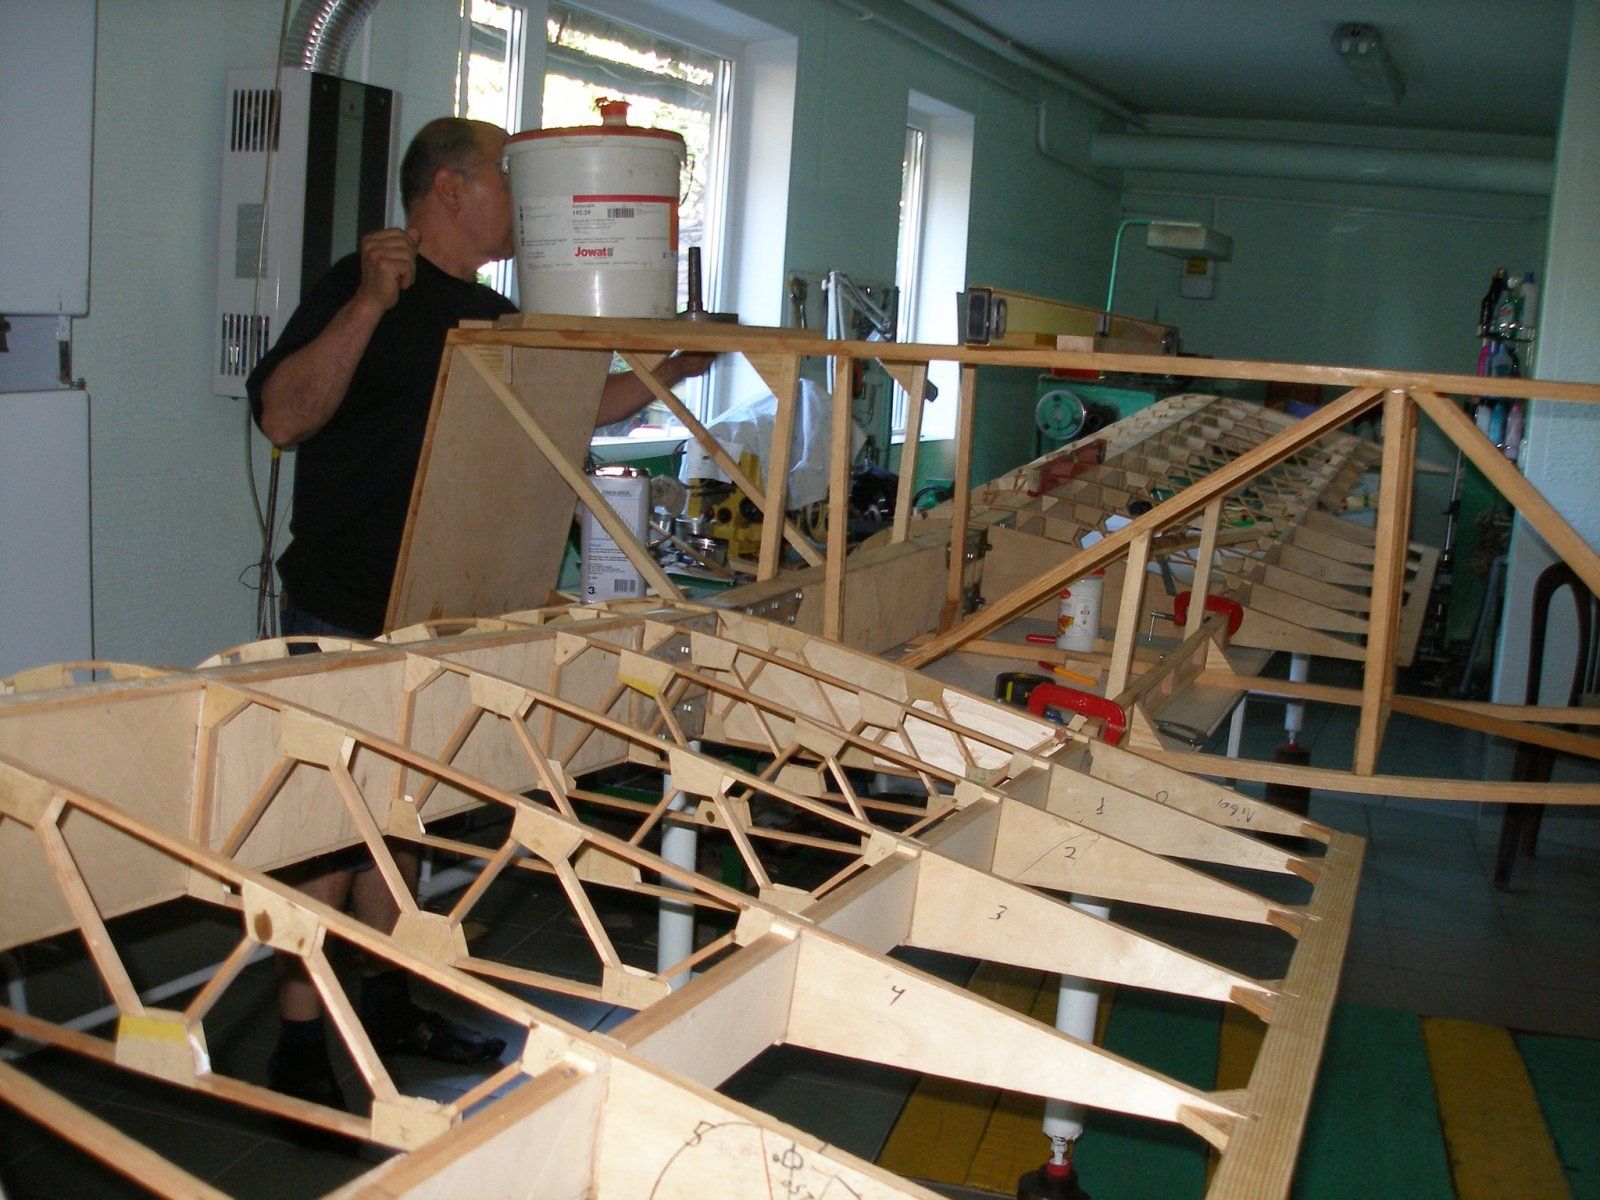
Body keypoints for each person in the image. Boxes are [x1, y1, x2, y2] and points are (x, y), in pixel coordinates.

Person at [246, 116, 711, 1117]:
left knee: (404, 819)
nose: (527, 197)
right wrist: (368, 304)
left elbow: (565, 409)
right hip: (344, 605)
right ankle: (297, 1045)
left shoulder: (499, 311)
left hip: (444, 609)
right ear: (450, 189)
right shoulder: (364, 285)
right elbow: (285, 414)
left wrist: (670, 371)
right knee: (329, 833)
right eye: (510, 175)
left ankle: (387, 1004)